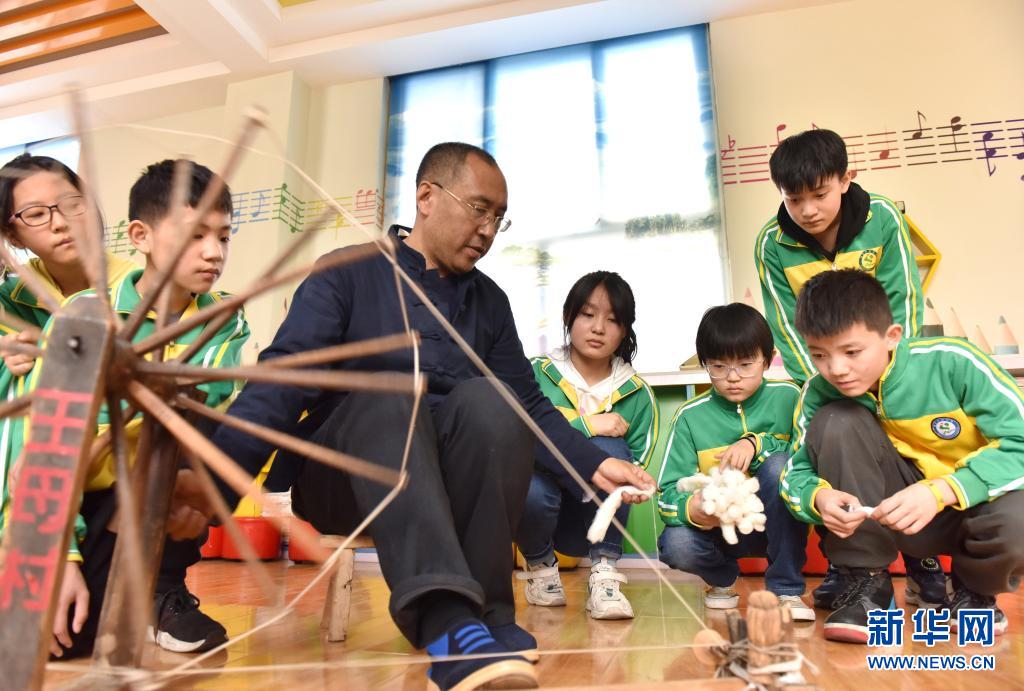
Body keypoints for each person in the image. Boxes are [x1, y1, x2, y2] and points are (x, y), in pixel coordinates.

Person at [210, 142, 654, 691]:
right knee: (395, 389)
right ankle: (448, 626)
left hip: (443, 482)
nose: (488, 230)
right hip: (345, 482)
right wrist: (215, 476)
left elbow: (528, 404)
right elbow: (282, 380)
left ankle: (488, 612)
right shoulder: (347, 273)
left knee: (492, 400)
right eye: (479, 209)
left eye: (498, 218)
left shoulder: (490, 302)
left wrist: (592, 463)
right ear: (426, 197)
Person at [20, 159, 246, 657]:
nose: (213, 252)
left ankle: (160, 588)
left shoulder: (222, 318)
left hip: (159, 487)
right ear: (140, 235)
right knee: (66, 641)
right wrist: (64, 557)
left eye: (223, 237)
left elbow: (199, 399)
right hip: (82, 500)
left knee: (206, 431)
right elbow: (49, 447)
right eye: (194, 235)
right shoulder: (84, 314)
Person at [754, 128, 945, 610]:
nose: (808, 210)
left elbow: (903, 304)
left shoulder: (883, 218)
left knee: (909, 451)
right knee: (832, 441)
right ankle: (854, 568)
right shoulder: (772, 244)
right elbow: (787, 327)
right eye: (793, 199)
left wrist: (890, 379)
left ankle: (922, 561)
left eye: (819, 194)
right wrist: (831, 383)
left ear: (845, 179)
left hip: (891, 374)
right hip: (828, 385)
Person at [781, 269, 1024, 642]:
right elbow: (794, 473)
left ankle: (975, 590)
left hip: (972, 512)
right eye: (819, 355)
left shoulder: (954, 361)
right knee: (837, 419)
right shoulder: (818, 392)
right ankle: (867, 584)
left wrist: (939, 491)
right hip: (891, 519)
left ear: (891, 336)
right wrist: (818, 497)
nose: (836, 369)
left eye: (852, 352)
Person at [656, 303, 813, 621]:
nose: (732, 377)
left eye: (745, 364)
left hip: (778, 524)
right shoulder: (689, 417)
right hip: (720, 531)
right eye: (718, 366)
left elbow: (806, 458)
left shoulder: (789, 396)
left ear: (767, 359)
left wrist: (757, 444)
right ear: (705, 364)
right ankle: (722, 578)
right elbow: (666, 495)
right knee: (676, 544)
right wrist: (693, 508)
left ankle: (786, 589)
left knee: (779, 465)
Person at [516, 271, 658, 620]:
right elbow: (517, 442)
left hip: (594, 520)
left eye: (612, 320)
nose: (598, 328)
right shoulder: (534, 373)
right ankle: (541, 570)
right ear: (569, 316)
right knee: (527, 479)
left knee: (614, 451)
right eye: (587, 314)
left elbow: (634, 467)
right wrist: (588, 424)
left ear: (625, 330)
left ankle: (605, 575)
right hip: (540, 510)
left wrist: (637, 485)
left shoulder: (638, 394)